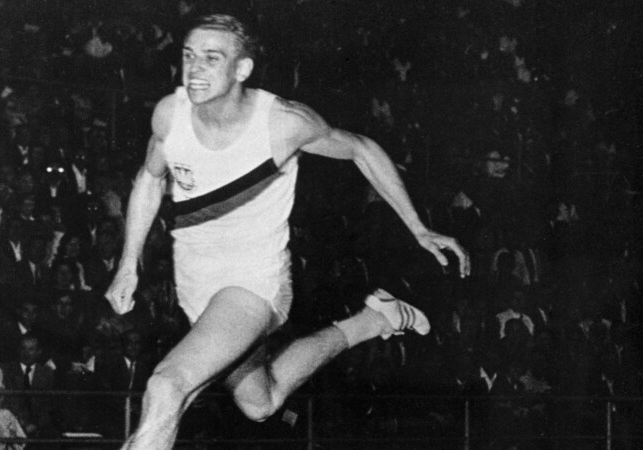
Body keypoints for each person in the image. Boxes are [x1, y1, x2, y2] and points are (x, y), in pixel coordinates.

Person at [104, 14, 470, 450]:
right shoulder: (171, 114)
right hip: (196, 283)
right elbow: (149, 179)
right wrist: (129, 263)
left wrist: (419, 228)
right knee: (260, 400)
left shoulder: (281, 123)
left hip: (252, 284)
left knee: (166, 386)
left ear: (242, 69)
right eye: (188, 56)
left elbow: (360, 149)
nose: (194, 69)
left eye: (211, 58)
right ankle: (374, 320)